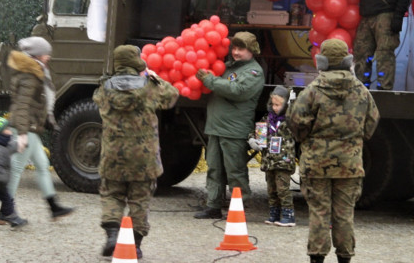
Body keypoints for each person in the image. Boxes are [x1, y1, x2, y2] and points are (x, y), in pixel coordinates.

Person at [287, 39, 380, 263]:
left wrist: (308, 140)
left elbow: (296, 123)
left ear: (322, 62)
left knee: (319, 213)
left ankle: (317, 259)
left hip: (316, 164)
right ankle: (345, 258)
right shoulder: (362, 92)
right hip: (350, 166)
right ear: (347, 61)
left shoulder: (311, 92)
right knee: (345, 215)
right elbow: (371, 123)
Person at [93, 45, 179, 258]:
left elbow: (97, 102)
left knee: (112, 194)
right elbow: (172, 96)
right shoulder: (150, 86)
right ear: (136, 61)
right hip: (144, 158)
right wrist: (154, 77)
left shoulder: (104, 88)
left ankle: (113, 237)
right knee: (139, 199)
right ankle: (135, 245)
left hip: (113, 155)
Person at [193, 31, 264, 219]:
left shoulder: (254, 72)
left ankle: (238, 209)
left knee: (235, 171)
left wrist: (210, 80)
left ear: (252, 51)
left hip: (234, 130)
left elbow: (238, 91)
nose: (236, 52)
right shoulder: (228, 67)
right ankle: (213, 205)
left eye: (241, 49)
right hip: (216, 126)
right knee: (214, 168)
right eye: (234, 48)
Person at [5, 36, 74, 222]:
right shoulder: (30, 74)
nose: (48, 57)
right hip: (25, 128)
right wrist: (21, 133)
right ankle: (6, 211)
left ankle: (54, 207)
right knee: (17, 168)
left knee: (42, 166)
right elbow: (22, 105)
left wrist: (49, 119)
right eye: (45, 53)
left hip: (31, 127)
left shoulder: (37, 71)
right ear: (36, 55)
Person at [247, 85, 297, 226]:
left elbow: (298, 120)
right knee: (271, 189)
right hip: (269, 161)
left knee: (283, 189)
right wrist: (252, 139)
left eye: (278, 105)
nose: (275, 108)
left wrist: (292, 105)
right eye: (273, 104)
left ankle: (288, 215)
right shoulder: (267, 118)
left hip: (283, 161)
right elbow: (257, 132)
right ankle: (274, 213)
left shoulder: (289, 120)